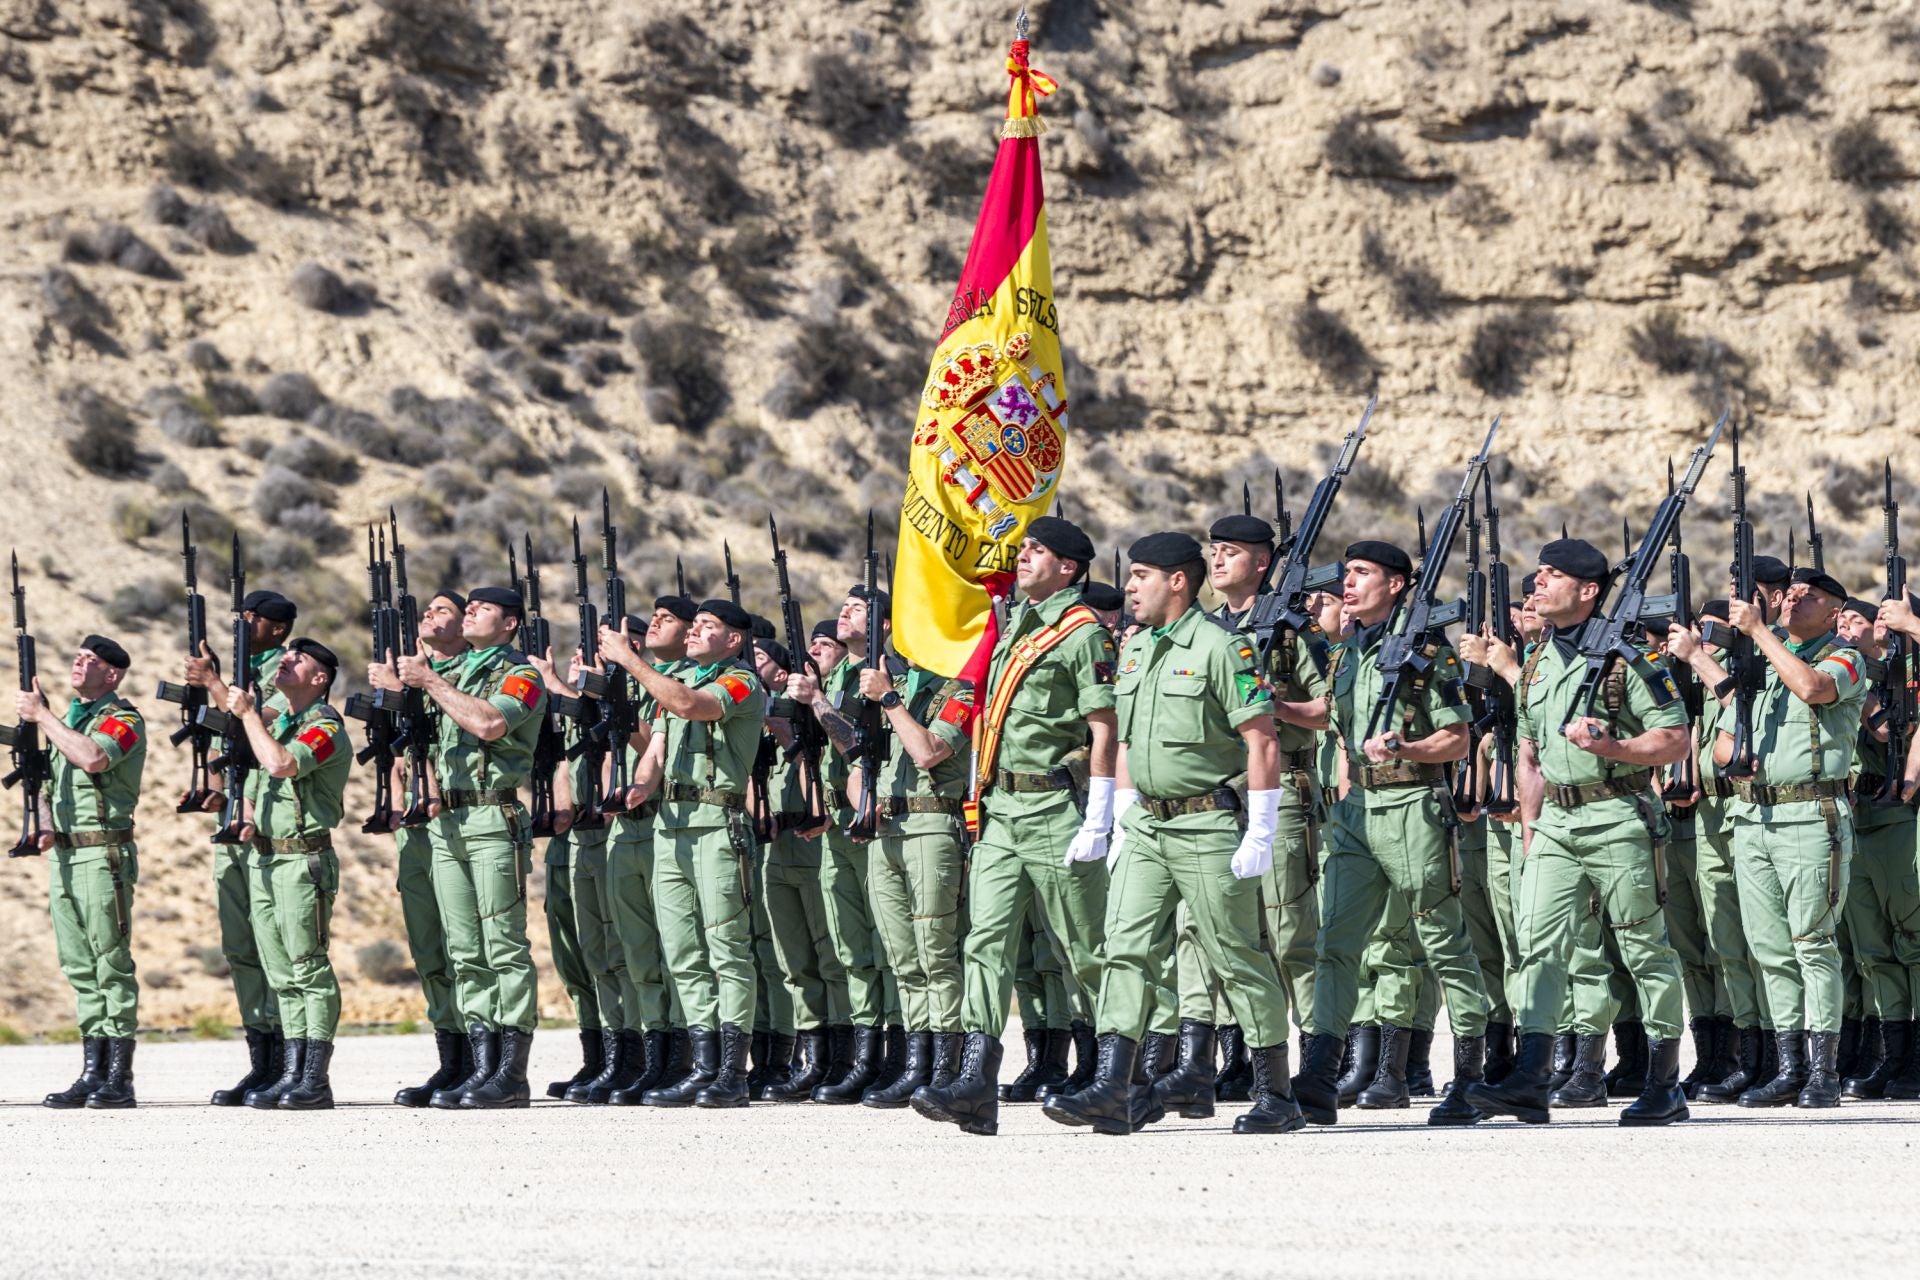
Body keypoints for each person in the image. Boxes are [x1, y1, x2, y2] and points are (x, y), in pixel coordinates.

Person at [1045, 532, 1301, 1136]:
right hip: (1148, 827)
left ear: (1177, 581)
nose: (1129, 587)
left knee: (1235, 955)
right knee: (1124, 949)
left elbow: (1263, 740)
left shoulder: (1222, 649)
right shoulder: (1134, 653)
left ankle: (1276, 1093)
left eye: (1140, 576)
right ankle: (1112, 1084)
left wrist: (1260, 830)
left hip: (1207, 824)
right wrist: (1113, 818)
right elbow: (1128, 743)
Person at [1470, 539, 1690, 1126]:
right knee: (1537, 943)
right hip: (1557, 823)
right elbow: (1533, 752)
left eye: (1552, 576)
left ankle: (1665, 1083)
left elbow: (1674, 738)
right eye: (1538, 572)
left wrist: (1612, 746)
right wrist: (1530, 830)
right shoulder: (1538, 658)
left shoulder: (1626, 659)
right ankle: (1532, 1077)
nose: (1537, 583)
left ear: (1588, 591)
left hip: (1618, 814)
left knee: (1643, 948)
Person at [911, 516, 1118, 1136]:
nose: (1023, 556)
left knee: (1086, 950)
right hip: (1001, 809)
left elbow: (1104, 726)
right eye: (1025, 547)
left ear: (1069, 569)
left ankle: (1119, 1073)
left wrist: (1102, 810)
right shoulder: (1013, 629)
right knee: (985, 943)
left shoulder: (1082, 634)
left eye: (1037, 551)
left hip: (1056, 808)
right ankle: (974, 1081)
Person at [1290, 541, 1489, 1127]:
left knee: (1443, 944)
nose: (1347, 583)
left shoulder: (1426, 651)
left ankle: (1472, 1078)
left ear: (1397, 585)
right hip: (1357, 811)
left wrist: (1407, 746)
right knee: (1336, 943)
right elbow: (1332, 712)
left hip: (1412, 804)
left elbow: (1459, 736)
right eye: (1347, 573)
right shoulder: (1347, 648)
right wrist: (1279, 704)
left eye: (1362, 574)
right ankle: (1320, 1075)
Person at [1673, 567, 1865, 1107]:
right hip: (1752, 817)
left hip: (1810, 814)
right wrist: (1732, 756)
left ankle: (1823, 1071)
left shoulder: (1843, 654)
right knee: (1769, 948)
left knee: (1812, 942)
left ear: (1833, 611)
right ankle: (1788, 1066)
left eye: (1811, 597)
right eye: (1793, 593)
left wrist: (1759, 632)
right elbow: (1726, 732)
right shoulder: (1760, 661)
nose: (1795, 600)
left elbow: (1813, 687)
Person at [377, 586, 547, 1108]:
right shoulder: (460, 673)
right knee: (466, 951)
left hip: (492, 814)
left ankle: (511, 1075)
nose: (470, 611)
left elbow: (490, 723)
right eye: (468, 606)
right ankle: (478, 1064)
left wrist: (428, 680)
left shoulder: (522, 674)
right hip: (448, 819)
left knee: (502, 945)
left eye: (484, 608)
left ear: (512, 624)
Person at [612, 598, 768, 1107]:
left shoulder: (740, 681)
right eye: (695, 624)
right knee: (683, 950)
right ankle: (702, 1065)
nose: (696, 631)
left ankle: (732, 1071)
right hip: (671, 824)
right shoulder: (675, 680)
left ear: (734, 639)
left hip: (717, 823)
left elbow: (689, 706)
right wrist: (638, 788)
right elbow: (655, 750)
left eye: (709, 626)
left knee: (727, 948)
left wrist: (632, 661)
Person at [202, 639, 352, 1110]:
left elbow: (282, 764)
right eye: (285, 657)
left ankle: (314, 1078)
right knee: (281, 973)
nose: (285, 662)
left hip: (302, 859)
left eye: (298, 660)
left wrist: (248, 714)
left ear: (319, 678)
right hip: (266, 859)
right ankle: (290, 1071)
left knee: (307, 967)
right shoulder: (284, 723)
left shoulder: (324, 725)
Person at [787, 588, 902, 1102]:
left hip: (872, 816)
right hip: (837, 820)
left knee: (886, 944)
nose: (844, 612)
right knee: (850, 946)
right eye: (845, 606)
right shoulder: (832, 676)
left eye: (858, 608)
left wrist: (816, 702)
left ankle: (899, 1055)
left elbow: (855, 743)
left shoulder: (883, 675)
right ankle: (863, 1055)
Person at [185, 588, 297, 1107]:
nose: (243, 623)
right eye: (242, 615)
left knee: (274, 947)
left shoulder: (284, 675)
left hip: (267, 824)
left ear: (277, 628)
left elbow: (255, 726)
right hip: (234, 819)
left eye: (252, 618)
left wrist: (214, 683)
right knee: (241, 948)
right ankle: (262, 1060)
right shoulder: (239, 673)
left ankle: (290, 1063)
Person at [27, 635, 146, 1110]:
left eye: (90, 660)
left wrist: (43, 716)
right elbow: (50, 780)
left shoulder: (123, 720)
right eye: (76, 656)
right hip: (67, 855)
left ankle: (119, 1076)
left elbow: (93, 758)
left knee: (110, 962)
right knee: (79, 965)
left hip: (103, 853)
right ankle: (92, 1071)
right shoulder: (70, 721)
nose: (79, 663)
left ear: (112, 675)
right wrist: (41, 822)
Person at [1831, 597, 1920, 1097]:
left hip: (1900, 818)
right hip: (1859, 817)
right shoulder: (1841, 674)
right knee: (1872, 951)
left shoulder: (1895, 678)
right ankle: (1892, 1053)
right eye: (1839, 619)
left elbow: (1888, 730)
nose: (1844, 626)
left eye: (1856, 620)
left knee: (1913, 940)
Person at [386, 591, 470, 1107]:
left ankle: (484, 1060)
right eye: (427, 612)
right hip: (415, 824)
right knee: (430, 949)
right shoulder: (412, 675)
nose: (429, 617)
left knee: (468, 947)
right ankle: (451, 1058)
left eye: (442, 611)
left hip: (458, 816)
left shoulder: (468, 675)